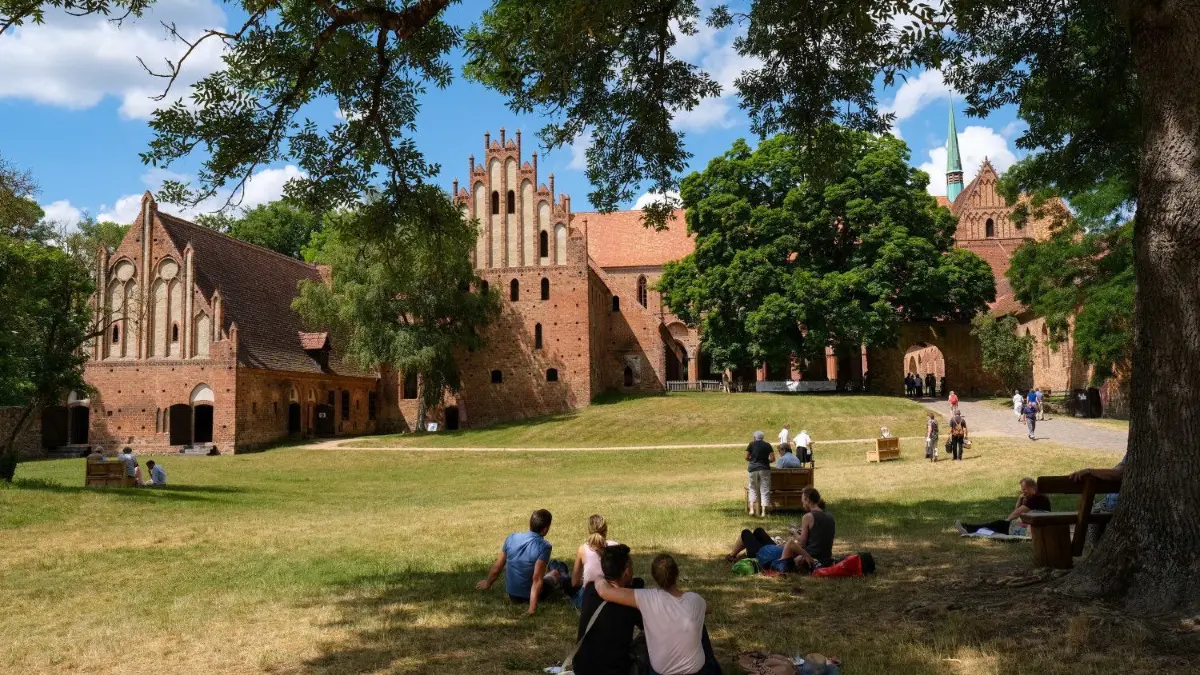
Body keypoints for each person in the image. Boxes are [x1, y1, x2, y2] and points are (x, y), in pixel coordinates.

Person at [595, 553, 720, 675]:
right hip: (697, 671)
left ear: (654, 577)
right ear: (677, 574)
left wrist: (598, 576)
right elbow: (709, 608)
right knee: (699, 624)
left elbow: (604, 591)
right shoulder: (695, 600)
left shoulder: (646, 598)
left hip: (660, 672)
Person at [572, 544, 645, 675]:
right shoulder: (631, 602)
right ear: (627, 571)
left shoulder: (590, 589)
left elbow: (600, 581)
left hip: (582, 669)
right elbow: (648, 626)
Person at [727, 487, 835, 573]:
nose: (802, 505)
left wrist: (794, 533)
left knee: (746, 533)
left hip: (806, 556)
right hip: (825, 557)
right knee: (759, 531)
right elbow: (820, 538)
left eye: (803, 501)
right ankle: (733, 555)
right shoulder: (830, 517)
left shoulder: (808, 517)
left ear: (807, 500)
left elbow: (802, 542)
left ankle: (731, 555)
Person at [477, 509, 562, 615]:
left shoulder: (511, 538)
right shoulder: (544, 546)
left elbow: (497, 567)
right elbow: (536, 579)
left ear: (531, 523)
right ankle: (557, 571)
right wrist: (532, 608)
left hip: (513, 596)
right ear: (545, 529)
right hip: (530, 596)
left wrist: (487, 583)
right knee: (555, 573)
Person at [955, 478, 1051, 536]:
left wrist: (1007, 520)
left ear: (1032, 487)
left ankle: (968, 528)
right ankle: (969, 528)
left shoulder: (1036, 498)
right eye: (1022, 490)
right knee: (996, 526)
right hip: (1034, 527)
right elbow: (1018, 511)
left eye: (1024, 489)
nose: (1023, 492)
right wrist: (1019, 499)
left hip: (1032, 529)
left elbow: (1017, 513)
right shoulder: (1039, 497)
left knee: (998, 524)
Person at [1070, 453, 1127, 544]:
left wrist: (1090, 471)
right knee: (1092, 510)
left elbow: (1120, 473)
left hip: (1114, 506)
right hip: (1109, 502)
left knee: (1093, 512)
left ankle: (1092, 545)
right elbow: (1119, 469)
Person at [571, 514, 617, 609]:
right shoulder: (616, 547)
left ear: (589, 530)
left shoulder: (582, 549)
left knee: (567, 583)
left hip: (588, 597)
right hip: (612, 594)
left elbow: (574, 582)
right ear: (606, 530)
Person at [745, 430, 774, 517]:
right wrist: (767, 461)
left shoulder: (751, 444)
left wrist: (752, 460)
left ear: (754, 437)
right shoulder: (767, 445)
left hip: (753, 469)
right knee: (765, 489)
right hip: (764, 469)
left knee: (752, 488)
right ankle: (763, 512)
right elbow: (772, 458)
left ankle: (751, 510)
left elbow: (746, 457)